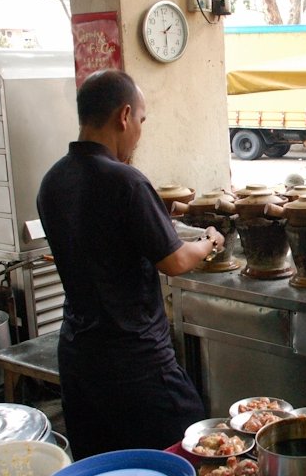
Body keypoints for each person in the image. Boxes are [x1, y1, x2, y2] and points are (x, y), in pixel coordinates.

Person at [37, 70, 224, 460]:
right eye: (141, 120)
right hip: (134, 363)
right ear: (124, 116)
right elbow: (174, 260)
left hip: (78, 358)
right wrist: (208, 241)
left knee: (104, 463)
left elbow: (101, 238)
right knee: (188, 444)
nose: (140, 131)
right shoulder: (126, 181)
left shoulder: (53, 180)